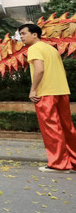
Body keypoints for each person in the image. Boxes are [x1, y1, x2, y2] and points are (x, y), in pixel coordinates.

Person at [18, 22, 76, 173]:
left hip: (45, 93)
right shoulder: (51, 48)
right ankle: (73, 161)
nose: (21, 37)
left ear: (35, 34)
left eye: (24, 33)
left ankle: (59, 163)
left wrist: (33, 90)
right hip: (61, 91)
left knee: (51, 128)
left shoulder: (34, 49)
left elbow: (39, 69)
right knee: (68, 128)